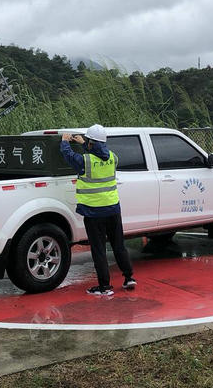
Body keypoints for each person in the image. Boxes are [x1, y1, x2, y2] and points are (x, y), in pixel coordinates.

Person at [60, 124, 136, 296]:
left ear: (92, 143)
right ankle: (129, 277)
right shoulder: (113, 157)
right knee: (119, 246)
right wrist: (84, 144)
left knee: (99, 249)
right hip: (113, 209)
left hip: (94, 213)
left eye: (88, 141)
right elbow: (98, 154)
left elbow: (69, 156)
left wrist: (65, 142)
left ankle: (105, 287)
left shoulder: (85, 161)